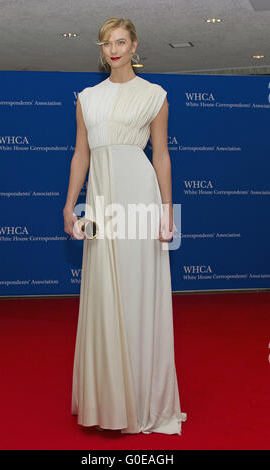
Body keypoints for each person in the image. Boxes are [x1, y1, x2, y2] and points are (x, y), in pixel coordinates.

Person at [63, 17, 187, 435]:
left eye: (120, 42)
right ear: (101, 50)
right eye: (105, 43)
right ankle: (109, 401)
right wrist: (69, 206)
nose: (112, 49)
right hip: (99, 205)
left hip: (140, 200)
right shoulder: (86, 99)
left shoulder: (154, 96)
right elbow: (81, 155)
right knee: (102, 293)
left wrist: (168, 211)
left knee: (137, 294)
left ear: (135, 46)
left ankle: (142, 399)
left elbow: (162, 155)